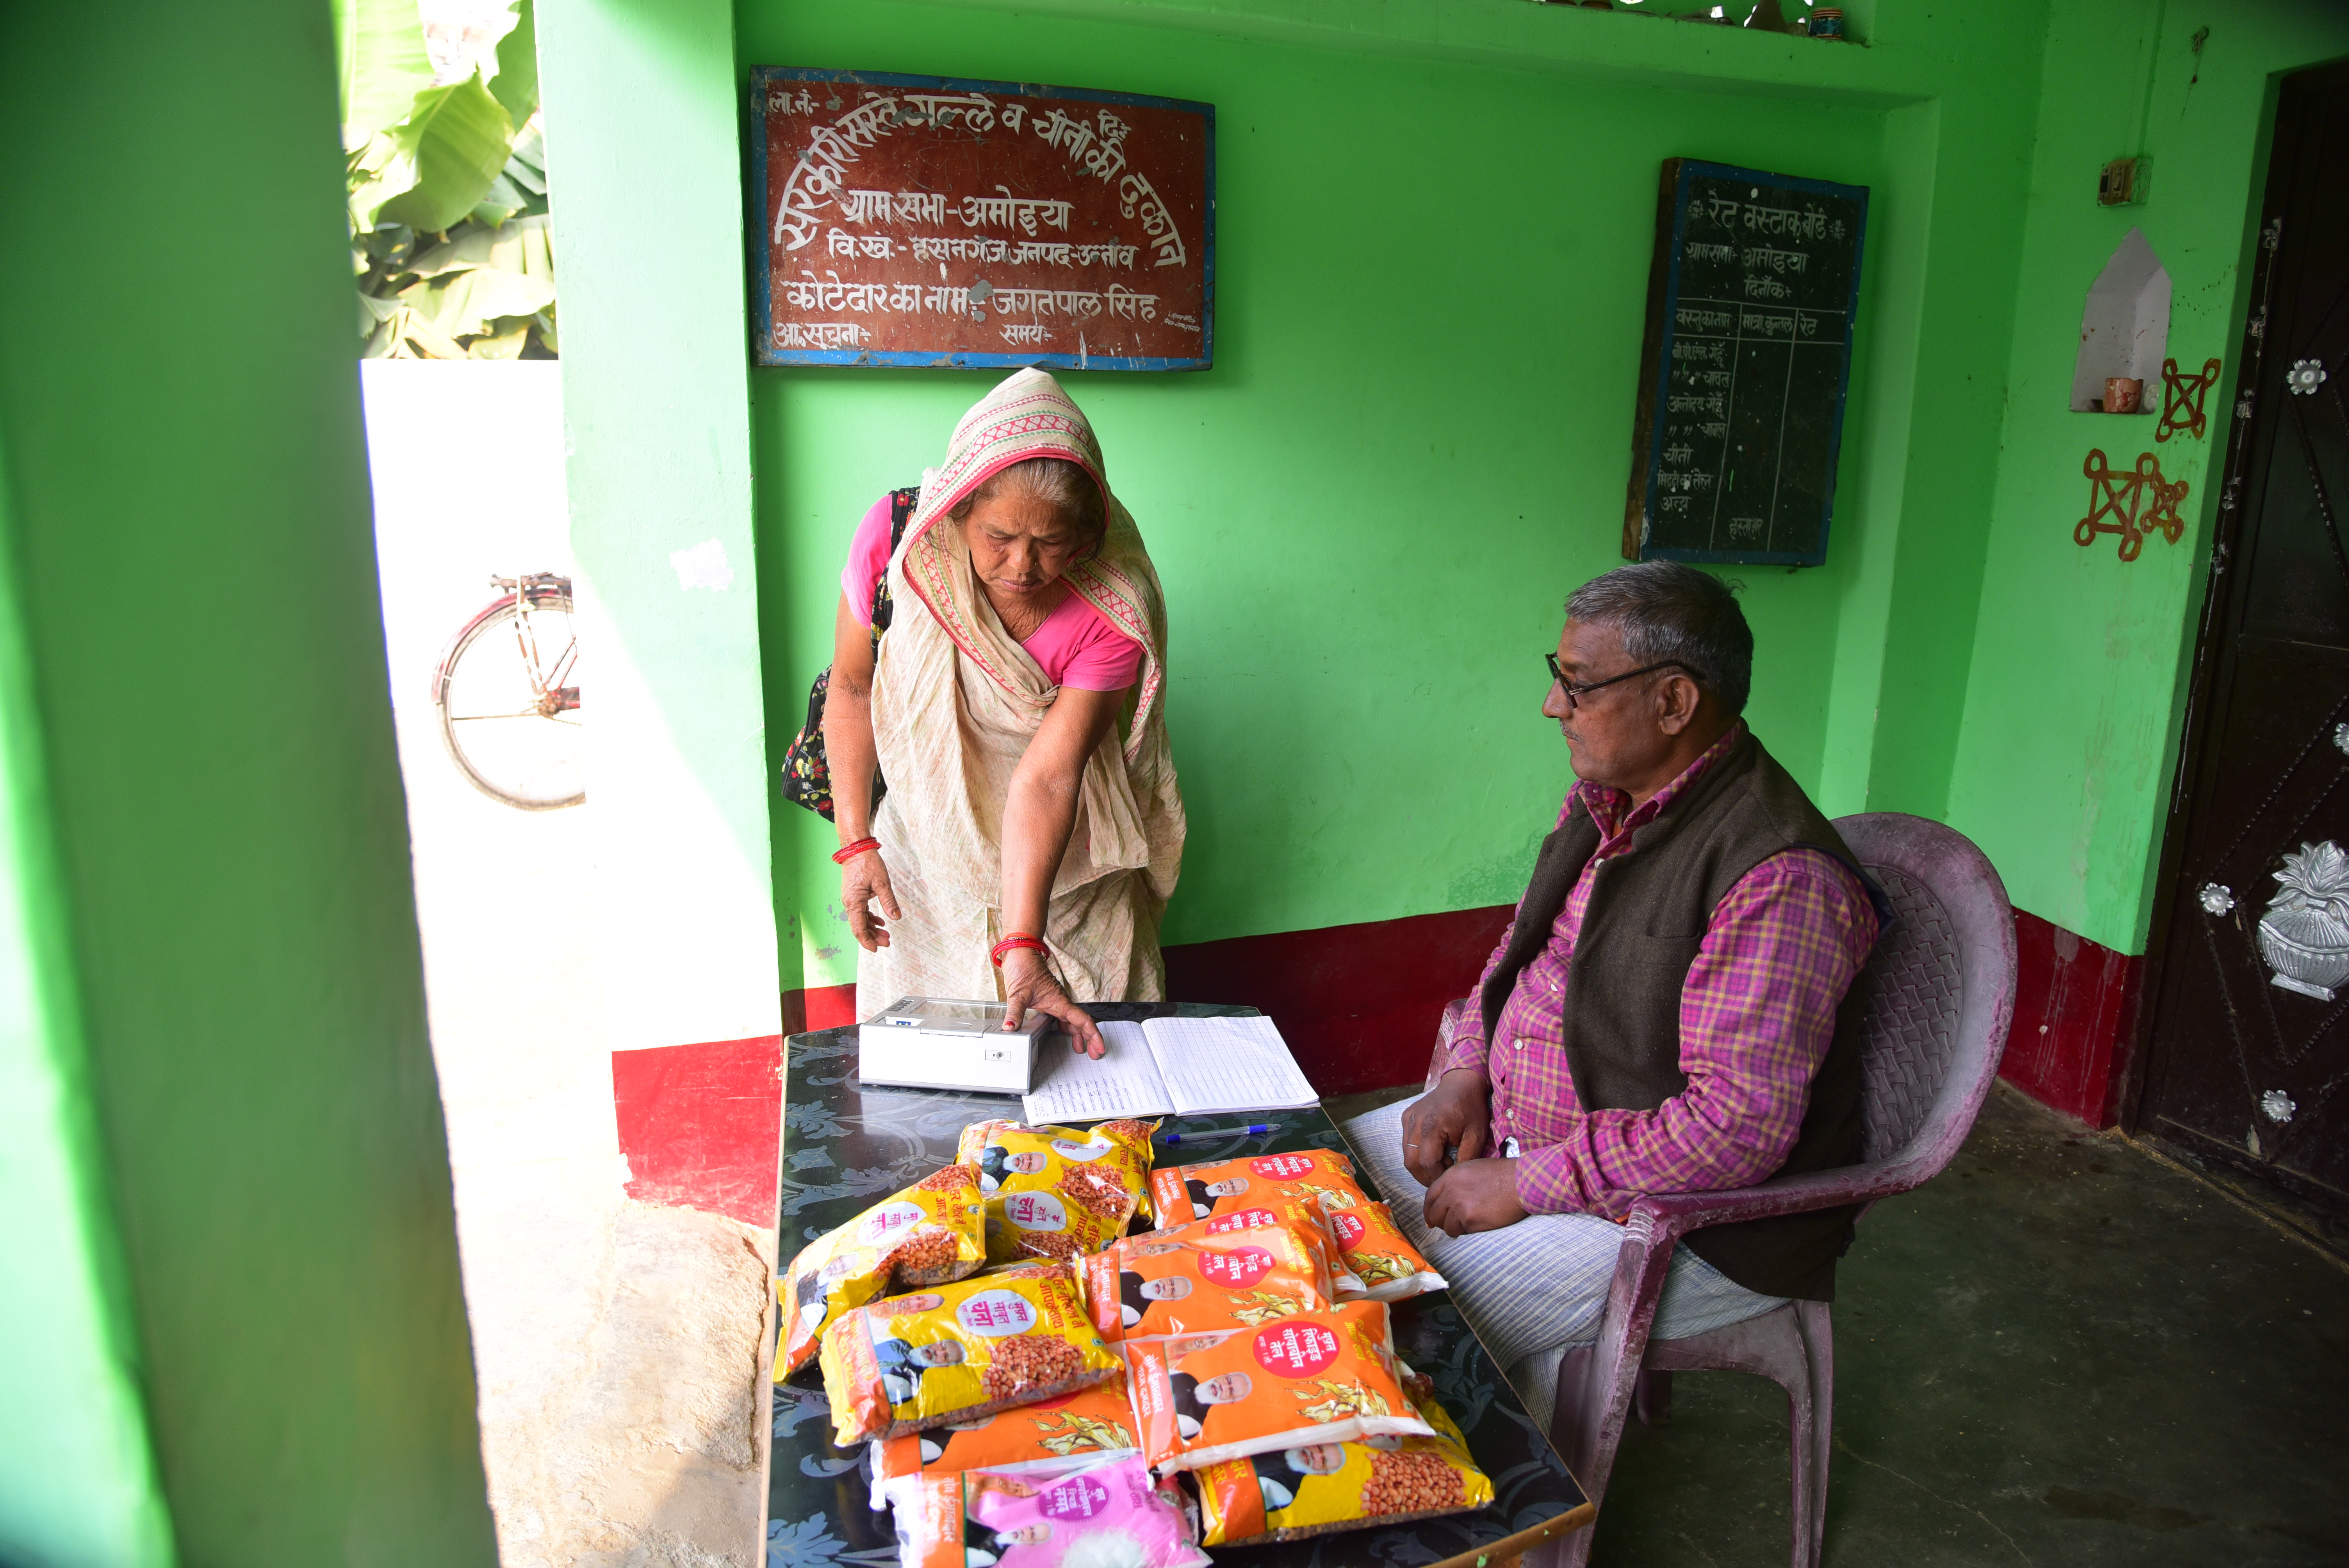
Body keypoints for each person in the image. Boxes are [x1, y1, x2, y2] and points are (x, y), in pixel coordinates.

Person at [1340, 561, 1885, 1431]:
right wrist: (1464, 1074)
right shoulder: (1604, 803)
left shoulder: (1779, 877)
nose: (1552, 706)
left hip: (1690, 1223)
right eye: (1556, 678)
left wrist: (1530, 1179)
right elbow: (1518, 963)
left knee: (1387, 1337)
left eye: (1579, 686)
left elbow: (1733, 1127)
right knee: (1302, 1191)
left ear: (1672, 703)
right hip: (1524, 1136)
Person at [823, 369, 1184, 1057]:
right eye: (999, 536)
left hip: (1068, 865)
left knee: (1090, 1068)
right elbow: (852, 687)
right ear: (957, 508)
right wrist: (857, 844)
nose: (1023, 565)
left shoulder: (1115, 600)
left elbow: (1049, 777)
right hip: (925, 851)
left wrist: (1022, 943)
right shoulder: (903, 537)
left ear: (1088, 533)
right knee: (930, 1066)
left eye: (1052, 543)